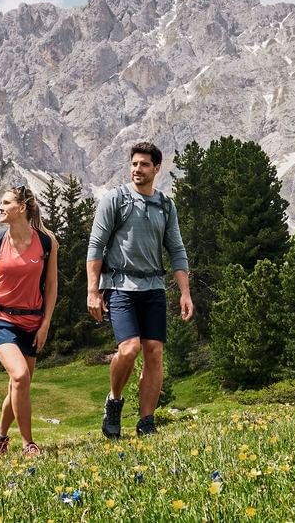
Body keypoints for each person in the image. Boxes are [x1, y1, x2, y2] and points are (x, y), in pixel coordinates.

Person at [87, 141, 193, 439]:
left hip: (153, 286)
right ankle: (115, 400)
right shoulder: (115, 200)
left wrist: (185, 293)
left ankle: (147, 421)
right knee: (130, 348)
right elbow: (95, 247)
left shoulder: (165, 205)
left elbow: (177, 250)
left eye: (144, 164)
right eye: (134, 164)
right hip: (119, 285)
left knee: (154, 353)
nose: (138, 169)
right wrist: (92, 292)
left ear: (157, 168)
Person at [0, 184, 58, 457]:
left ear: (21, 208)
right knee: (20, 376)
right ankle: (28, 443)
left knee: (18, 386)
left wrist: (45, 324)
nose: (0, 206)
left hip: (31, 323)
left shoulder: (47, 242)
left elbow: (52, 286)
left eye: (6, 202)